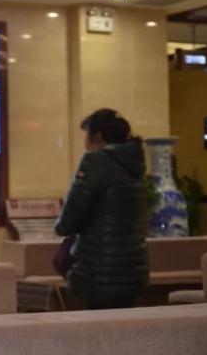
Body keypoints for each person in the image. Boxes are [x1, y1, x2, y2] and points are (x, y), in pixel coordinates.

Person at [55, 108, 149, 309]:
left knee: (95, 326)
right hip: (133, 270)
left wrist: (62, 225)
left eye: (86, 135)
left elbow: (68, 220)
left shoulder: (95, 162)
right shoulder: (135, 163)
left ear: (97, 136)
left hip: (97, 272)